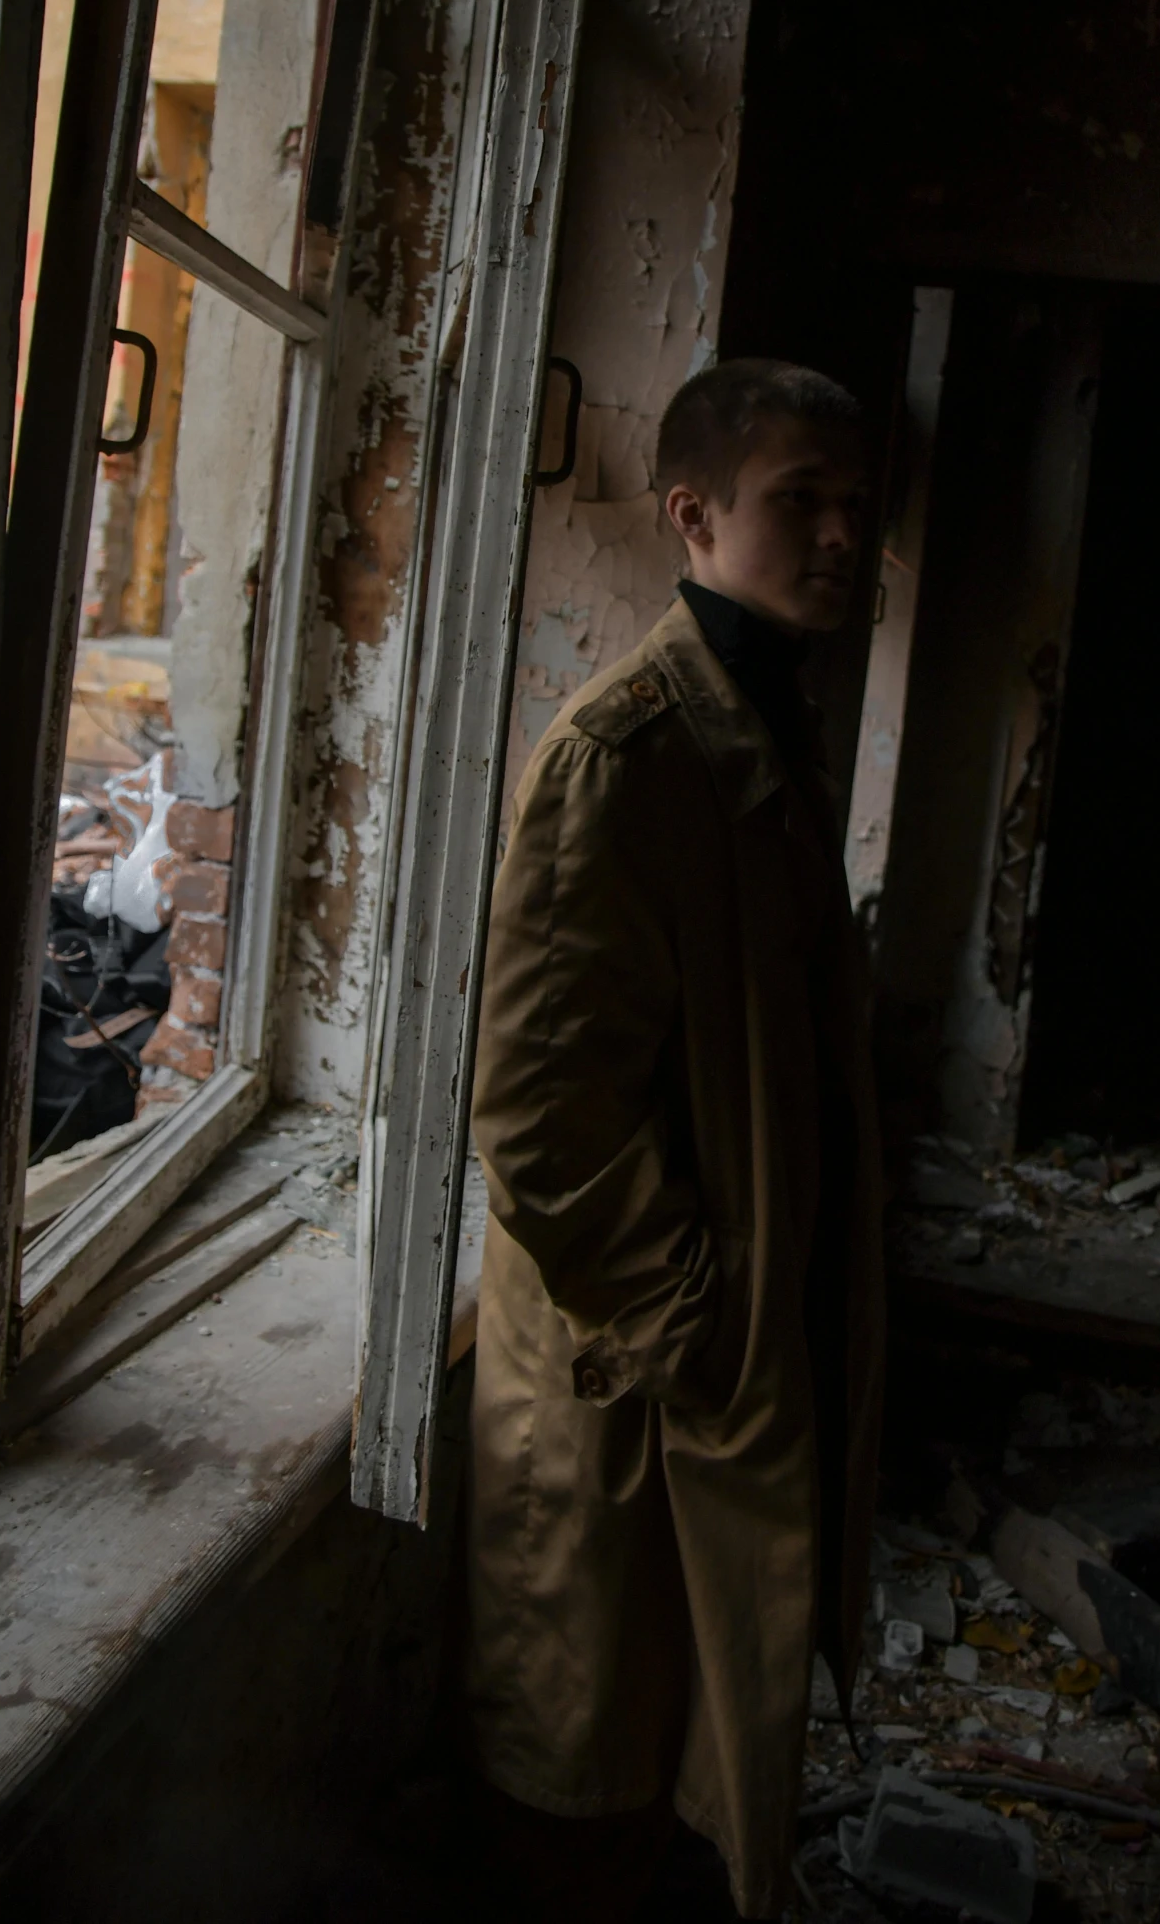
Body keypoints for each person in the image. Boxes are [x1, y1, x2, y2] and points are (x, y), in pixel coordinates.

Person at [465, 360, 886, 1921]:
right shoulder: (625, 755)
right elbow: (535, 1115)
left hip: (712, 1344)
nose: (844, 534)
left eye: (857, 503)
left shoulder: (764, 713)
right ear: (694, 514)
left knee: (697, 1764)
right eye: (802, 502)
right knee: (591, 1769)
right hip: (634, 1373)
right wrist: (697, 1323)